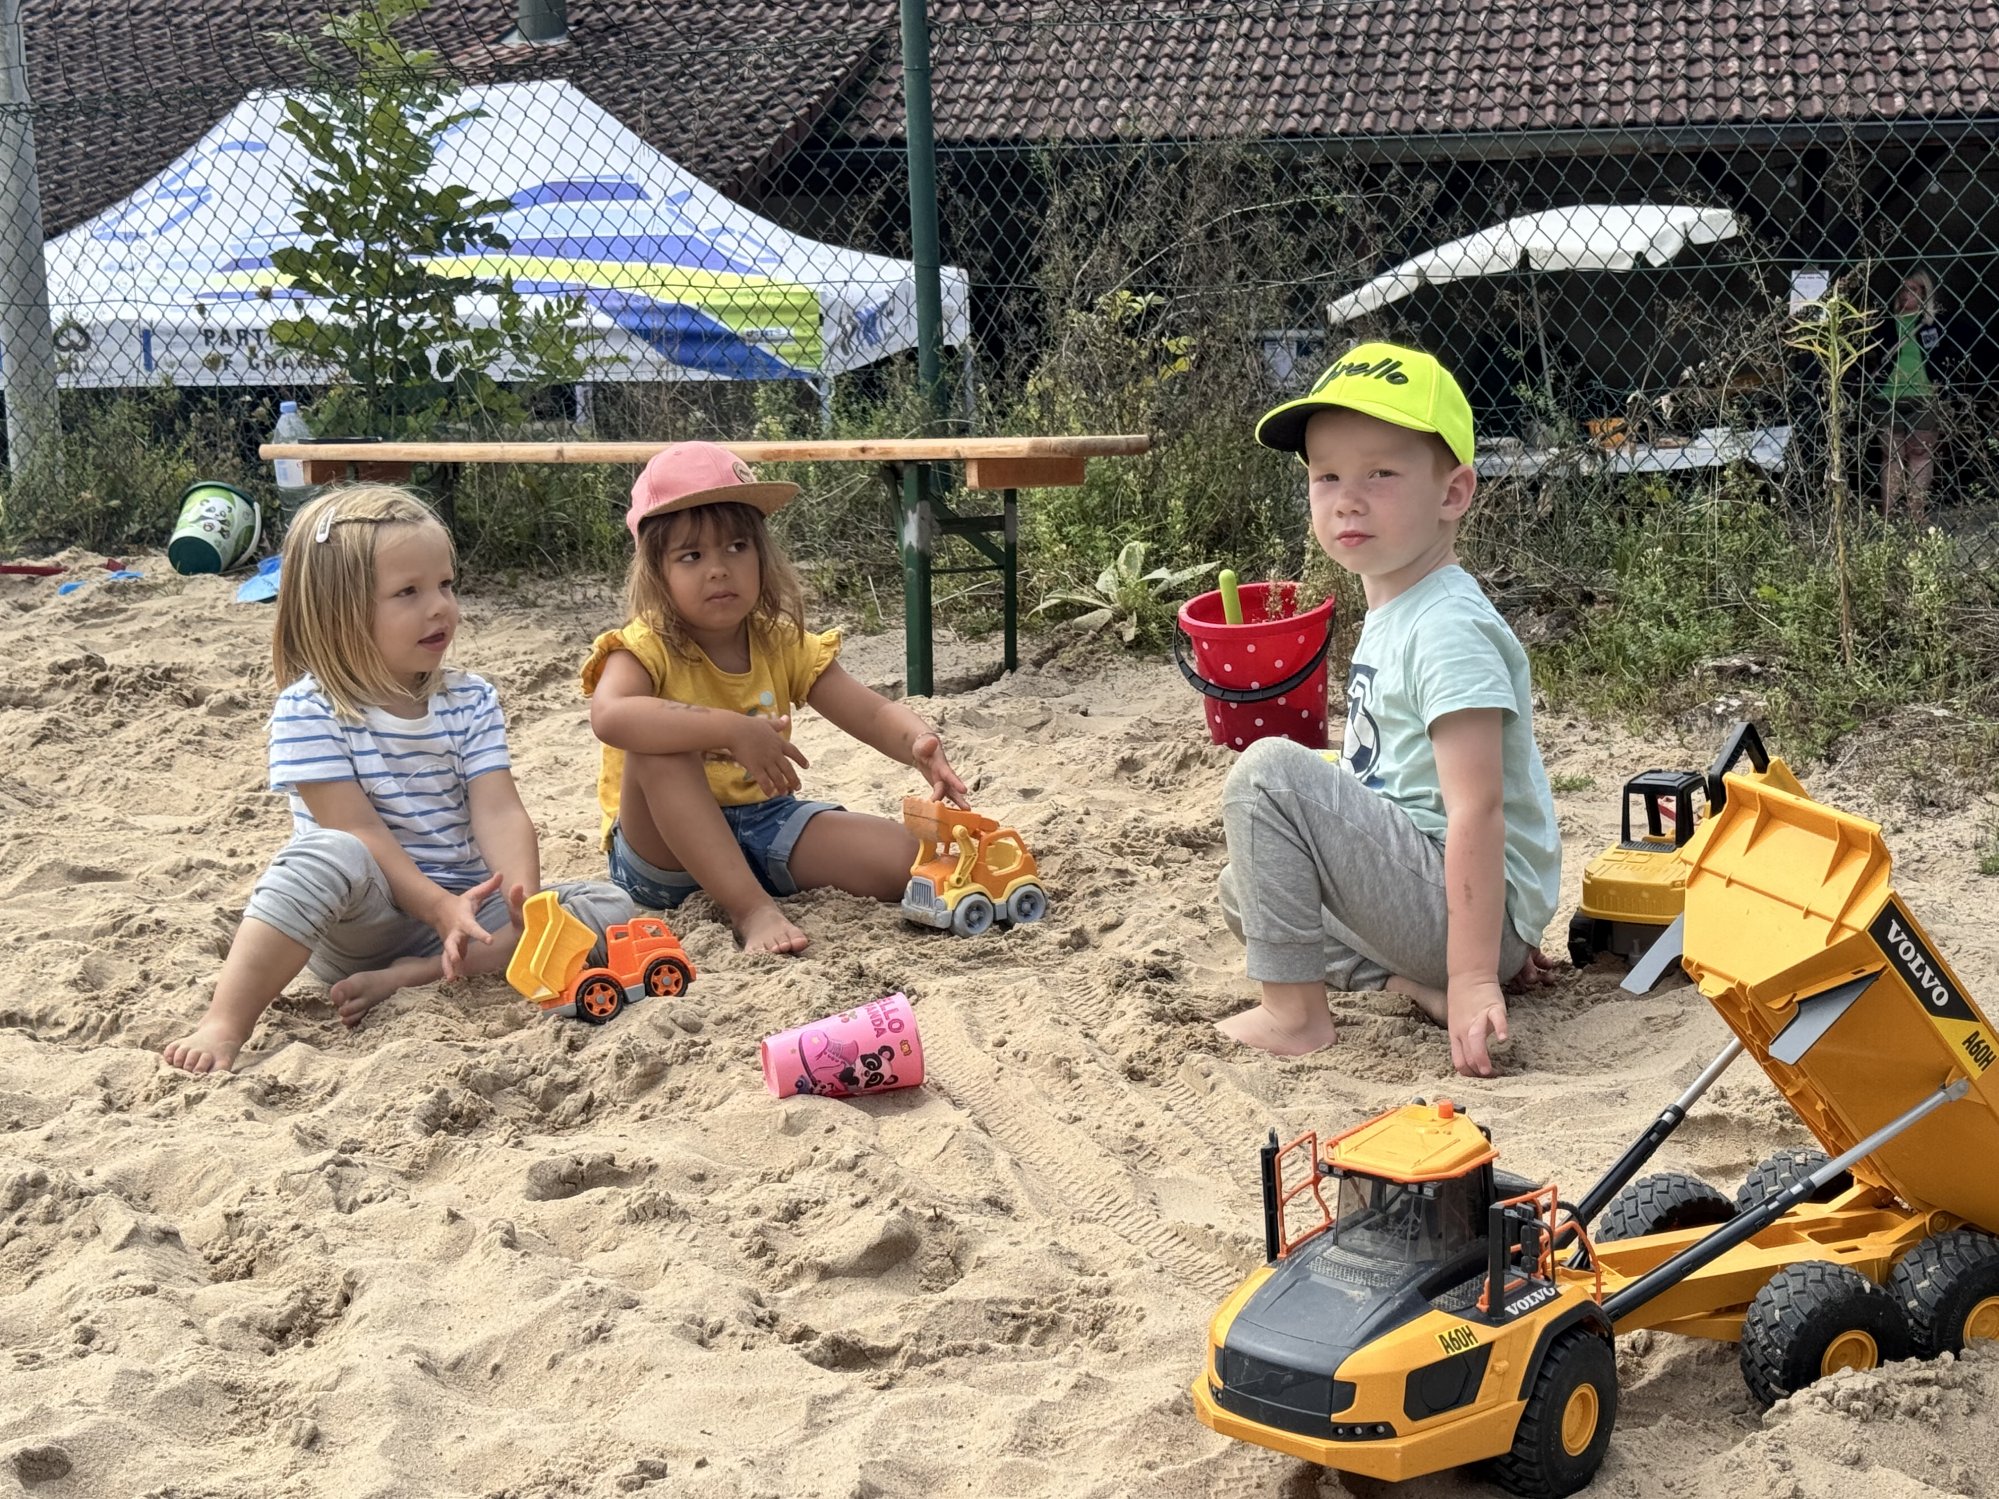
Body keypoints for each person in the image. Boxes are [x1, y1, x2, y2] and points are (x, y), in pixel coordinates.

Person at [162, 485, 633, 1074]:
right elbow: (359, 830)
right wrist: (437, 907)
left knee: (609, 905)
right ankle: (226, 1021)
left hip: (468, 914)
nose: (439, 607)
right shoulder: (309, 710)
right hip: (365, 919)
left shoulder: (470, 699)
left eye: (446, 584)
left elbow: (498, 809)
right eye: (408, 592)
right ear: (340, 610)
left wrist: (523, 900)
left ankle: (418, 975)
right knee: (326, 854)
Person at [1215, 343, 1561, 1077]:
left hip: (1460, 912)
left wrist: (1475, 974)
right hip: (1436, 905)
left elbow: (1477, 808)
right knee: (1245, 887)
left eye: (1380, 473)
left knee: (1266, 775)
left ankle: (1296, 1017)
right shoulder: (1398, 603)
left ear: (1453, 493)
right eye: (1327, 475)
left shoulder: (1446, 626)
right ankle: (1407, 987)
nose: (1347, 498)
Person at [584, 441, 969, 955]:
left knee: (907, 860)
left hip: (765, 825)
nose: (718, 569)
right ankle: (752, 909)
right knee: (659, 743)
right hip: (662, 855)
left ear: (761, 554)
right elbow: (611, 716)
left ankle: (756, 881)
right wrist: (728, 729)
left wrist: (916, 741)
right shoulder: (644, 648)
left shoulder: (776, 640)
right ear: (657, 570)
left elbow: (871, 709)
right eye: (692, 555)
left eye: (737, 547)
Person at [1875, 270, 1946, 522]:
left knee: (1920, 454)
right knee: (1891, 456)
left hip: (1923, 396)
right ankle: (1888, 515)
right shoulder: (1884, 322)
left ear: (1925, 293)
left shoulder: (1934, 323)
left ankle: (1916, 514)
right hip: (1887, 396)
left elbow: (1950, 356)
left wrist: (1945, 384)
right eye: (1903, 288)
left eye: (1913, 289)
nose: (1906, 294)